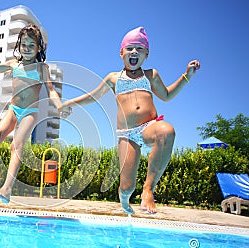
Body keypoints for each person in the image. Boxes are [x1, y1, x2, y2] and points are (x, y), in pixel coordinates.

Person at [60, 26, 200, 214]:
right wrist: (70, 103)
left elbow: (166, 96)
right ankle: (125, 199)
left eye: (139, 49)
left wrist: (186, 76)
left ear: (146, 54)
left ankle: (148, 188)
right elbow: (93, 96)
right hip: (127, 134)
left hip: (149, 126)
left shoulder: (151, 75)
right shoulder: (114, 78)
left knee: (166, 131)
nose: (134, 52)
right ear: (121, 53)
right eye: (130, 48)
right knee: (126, 186)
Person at [0, 24, 67, 203]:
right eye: (24, 45)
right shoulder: (14, 64)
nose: (27, 49)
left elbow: (51, 90)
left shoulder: (41, 68)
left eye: (32, 45)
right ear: (19, 46)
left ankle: (6, 189)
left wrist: (59, 105)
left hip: (30, 112)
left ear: (38, 48)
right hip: (13, 109)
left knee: (17, 144)